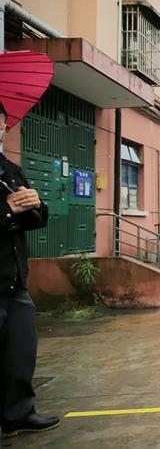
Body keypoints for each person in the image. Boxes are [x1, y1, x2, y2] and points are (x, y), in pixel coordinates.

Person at [0, 102, 60, 437]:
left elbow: (34, 222)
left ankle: (19, 414)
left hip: (15, 281)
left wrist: (37, 206)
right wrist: (7, 210)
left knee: (21, 353)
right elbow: (9, 214)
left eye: (0, 123)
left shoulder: (9, 170)